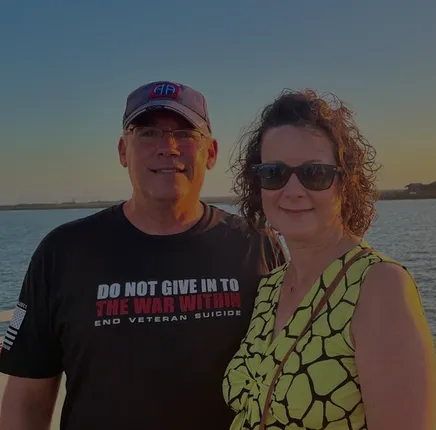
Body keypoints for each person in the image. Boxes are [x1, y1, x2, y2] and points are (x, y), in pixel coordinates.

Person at [0, 81, 284, 430]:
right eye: (148, 133)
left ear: (210, 153)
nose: (167, 147)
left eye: (185, 134)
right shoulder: (62, 253)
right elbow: (26, 399)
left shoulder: (257, 246)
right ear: (123, 151)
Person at [222, 89, 436, 430]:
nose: (293, 190)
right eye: (274, 173)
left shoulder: (379, 287)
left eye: (315, 173)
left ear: (345, 183)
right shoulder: (270, 288)